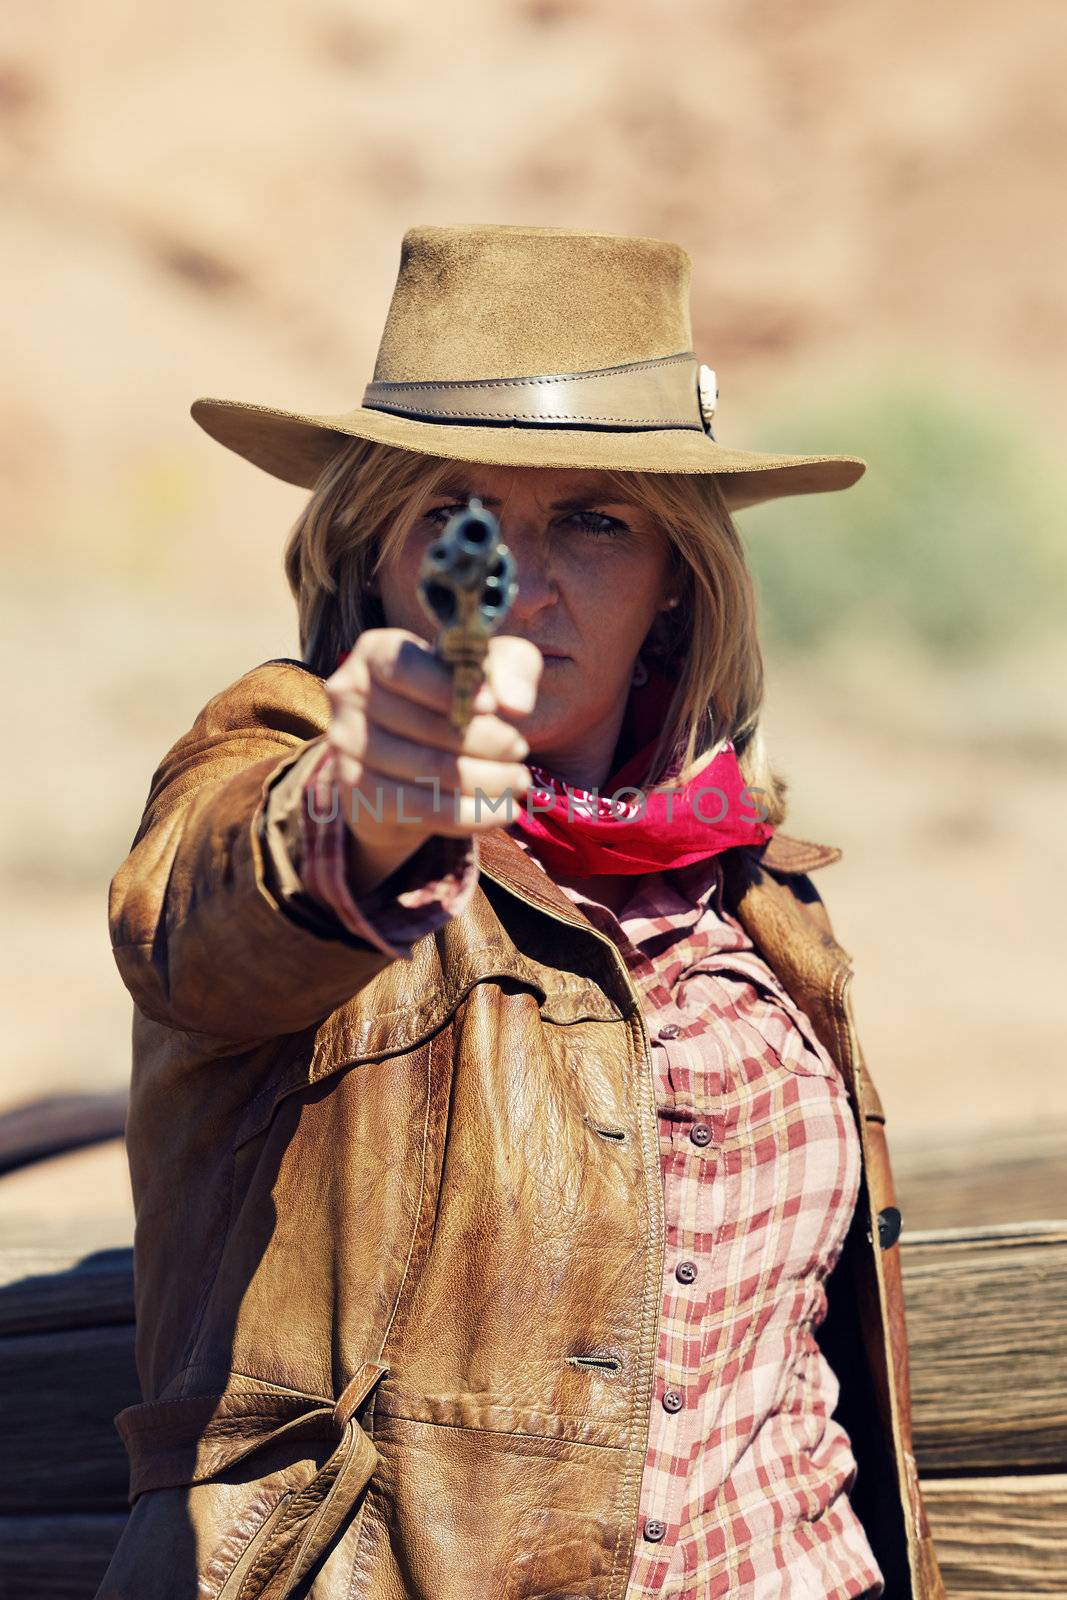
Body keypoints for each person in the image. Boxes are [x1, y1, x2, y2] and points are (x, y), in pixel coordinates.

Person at [99, 225, 945, 1600]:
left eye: (594, 520)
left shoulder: (754, 884)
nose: (520, 584)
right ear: (377, 550)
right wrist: (367, 807)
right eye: (459, 516)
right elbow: (197, 930)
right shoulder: (292, 767)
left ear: (677, 576)